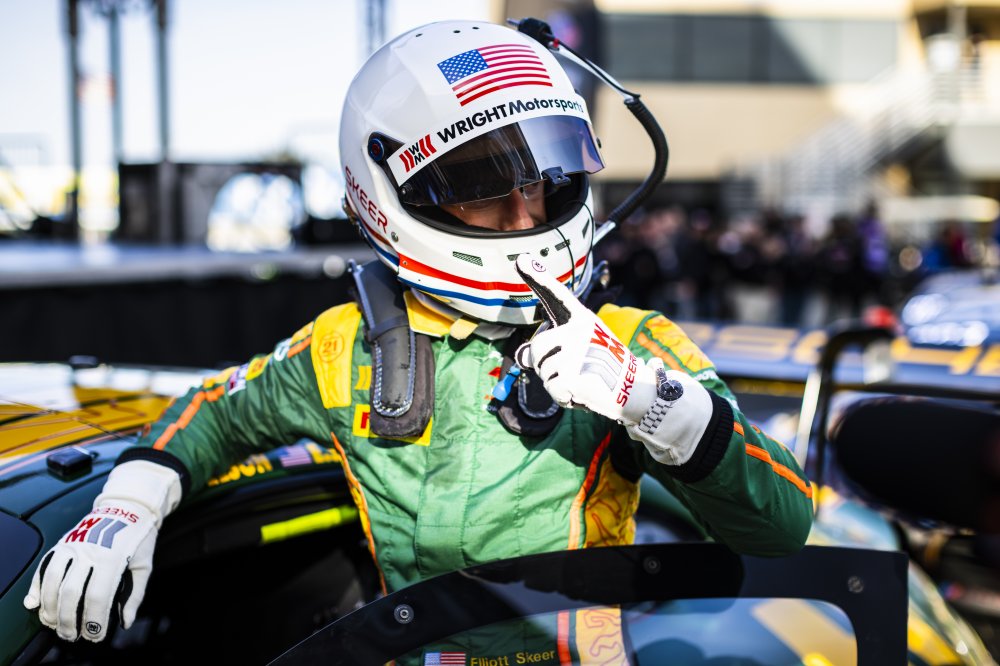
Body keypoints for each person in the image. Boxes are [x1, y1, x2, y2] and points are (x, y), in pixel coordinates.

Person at [23, 18, 814, 650]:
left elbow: (781, 527)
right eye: (483, 185)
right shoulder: (343, 350)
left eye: (547, 178)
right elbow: (215, 414)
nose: (525, 214)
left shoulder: (633, 342)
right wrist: (128, 503)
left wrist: (654, 403)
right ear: (386, 197)